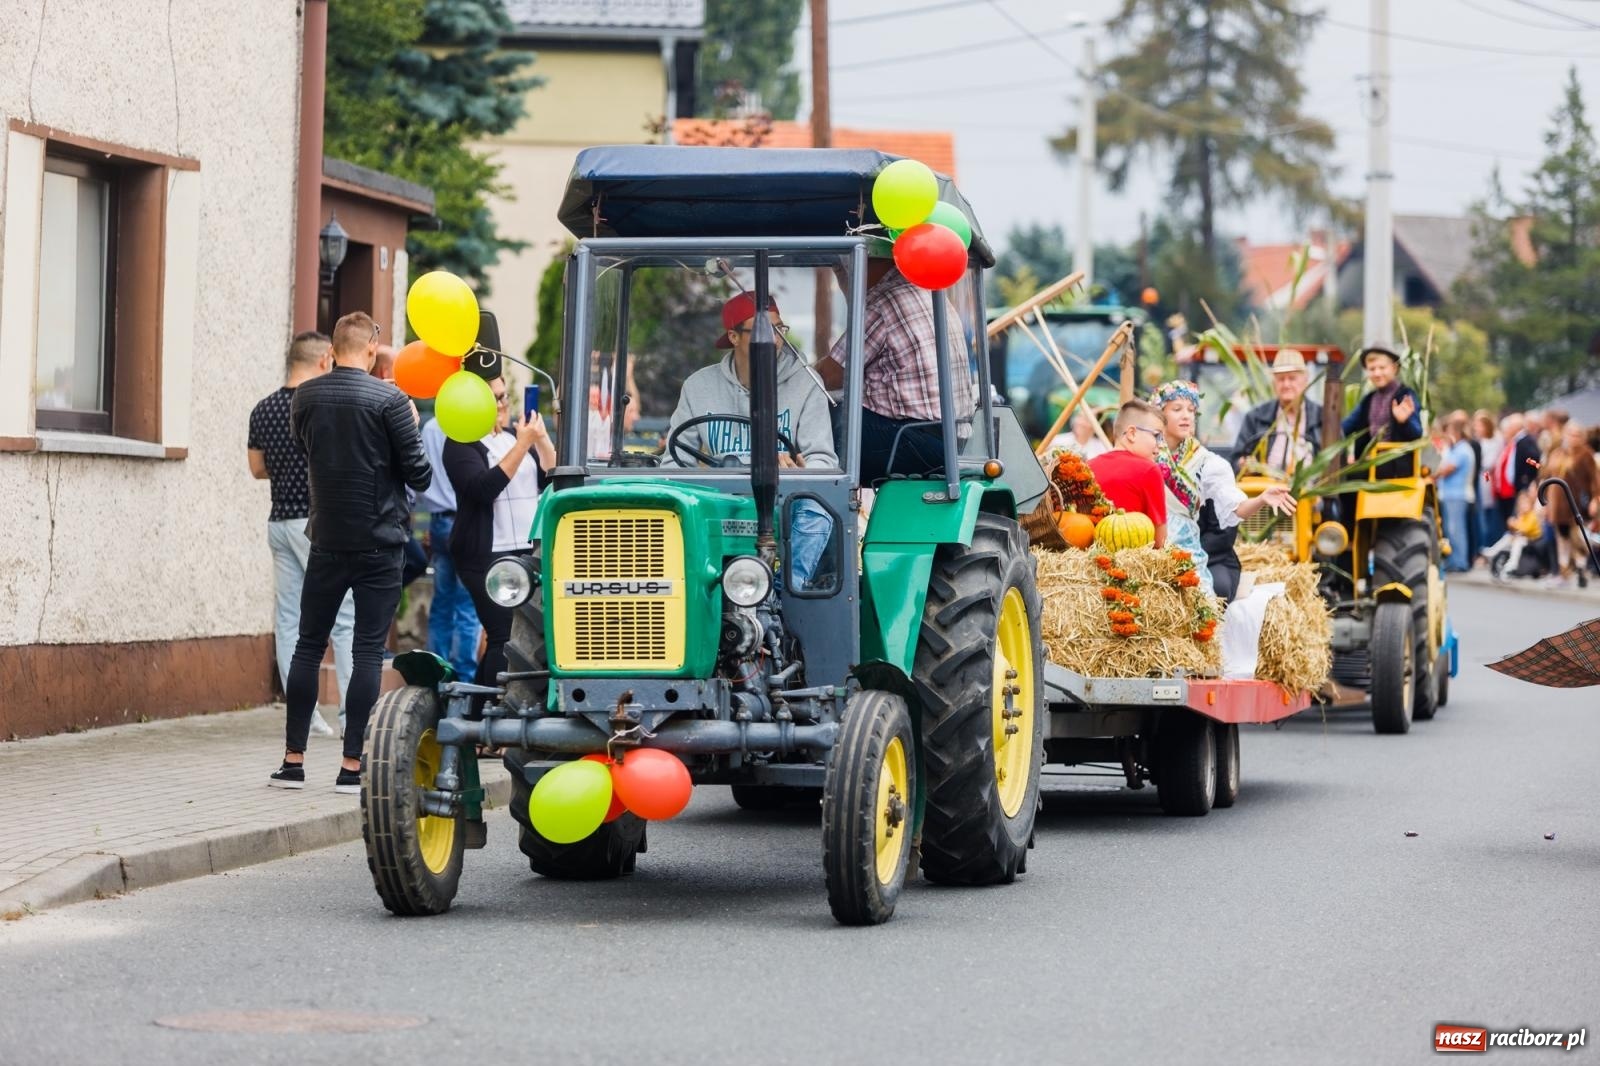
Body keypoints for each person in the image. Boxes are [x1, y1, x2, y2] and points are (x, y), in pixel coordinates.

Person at [269, 312, 431, 792]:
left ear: (332, 350)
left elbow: (309, 449)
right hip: (380, 542)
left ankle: (293, 762)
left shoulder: (305, 397)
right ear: (372, 348)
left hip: (326, 539)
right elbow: (420, 475)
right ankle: (351, 767)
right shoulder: (392, 401)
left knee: (307, 645)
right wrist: (410, 426)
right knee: (365, 651)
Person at [663, 293, 838, 588]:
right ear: (734, 337)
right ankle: (694, 593)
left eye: (779, 329)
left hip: (782, 498)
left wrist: (798, 471)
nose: (775, 340)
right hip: (719, 500)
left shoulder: (806, 383)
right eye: (762, 331)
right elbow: (674, 463)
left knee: (817, 509)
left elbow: (824, 460)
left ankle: (782, 593)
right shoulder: (698, 386)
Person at [248, 331, 351, 740]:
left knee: (290, 619)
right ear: (325, 359)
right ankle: (351, 715)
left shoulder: (263, 408)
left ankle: (304, 717)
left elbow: (257, 468)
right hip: (315, 523)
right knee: (343, 616)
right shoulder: (321, 406)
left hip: (279, 521)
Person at [444, 376, 557, 696]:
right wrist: (523, 445)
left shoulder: (511, 437)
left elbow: (552, 477)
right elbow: (483, 489)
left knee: (522, 638)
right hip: (486, 555)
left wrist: (540, 439)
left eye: (504, 396)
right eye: (493, 398)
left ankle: (479, 706)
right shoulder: (460, 443)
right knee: (503, 635)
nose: (501, 404)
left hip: (527, 553)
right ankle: (492, 709)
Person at [818, 251, 974, 484]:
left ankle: (808, 498)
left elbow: (829, 376)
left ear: (862, 262)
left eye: (843, 271)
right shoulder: (927, 291)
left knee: (823, 418)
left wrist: (790, 378)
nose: (844, 280)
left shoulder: (883, 301)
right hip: (953, 439)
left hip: (913, 440)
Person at [1151, 382, 1295, 598]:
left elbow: (1236, 508)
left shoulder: (1208, 463)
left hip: (1199, 551)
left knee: (1212, 591)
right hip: (1153, 550)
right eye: (1177, 409)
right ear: (1159, 415)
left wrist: (1261, 499)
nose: (1186, 416)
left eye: (1191, 410)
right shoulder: (1145, 457)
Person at [416, 415, 482, 682]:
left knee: (442, 601)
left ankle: (436, 675)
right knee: (467, 604)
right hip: (465, 519)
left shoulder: (431, 427)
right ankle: (464, 679)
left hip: (439, 521)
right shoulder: (471, 423)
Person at [1088, 399, 1169, 548]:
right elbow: (1160, 542)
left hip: (1090, 558)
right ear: (1132, 433)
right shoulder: (1149, 470)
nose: (1161, 444)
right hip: (1135, 559)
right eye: (1157, 436)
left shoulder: (1087, 467)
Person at [1231, 348, 1323, 473]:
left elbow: (1337, 462)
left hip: (1312, 484)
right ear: (1274, 383)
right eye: (1281, 379)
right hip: (1265, 483)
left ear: (1305, 380)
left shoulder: (1323, 418)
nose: (1286, 385)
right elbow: (1235, 460)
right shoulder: (1256, 417)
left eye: (1292, 378)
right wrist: (1243, 464)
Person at [1341, 346, 1422, 478]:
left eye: (1382, 368)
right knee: (1342, 476)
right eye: (1372, 369)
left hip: (1396, 467)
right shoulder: (1368, 400)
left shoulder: (1405, 396)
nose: (1377, 373)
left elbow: (1417, 433)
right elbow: (1345, 427)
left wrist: (1404, 422)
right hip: (1370, 464)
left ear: (1394, 368)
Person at [1537, 422, 1599, 588]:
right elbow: (1547, 476)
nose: (1573, 438)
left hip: (1577, 503)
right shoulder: (1557, 453)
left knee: (1578, 539)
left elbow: (1595, 479)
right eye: (1571, 434)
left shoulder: (1586, 454)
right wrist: (1544, 502)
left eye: (1577, 435)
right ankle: (1563, 573)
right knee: (1562, 539)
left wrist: (1596, 498)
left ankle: (1580, 570)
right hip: (1557, 504)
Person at [1434, 417, 1475, 573]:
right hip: (1450, 495)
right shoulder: (1455, 449)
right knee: (1450, 530)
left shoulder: (1462, 450)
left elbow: (1446, 469)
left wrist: (1432, 472)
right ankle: (1452, 560)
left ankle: (1460, 562)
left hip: (1457, 495)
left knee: (1456, 530)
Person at [1491, 413, 1541, 536]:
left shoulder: (1525, 441)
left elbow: (1534, 458)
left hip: (1522, 486)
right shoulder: (1517, 441)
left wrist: (1526, 477)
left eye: (1509, 426)